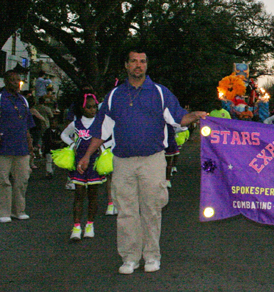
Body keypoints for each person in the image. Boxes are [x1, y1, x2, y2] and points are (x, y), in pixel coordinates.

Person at [77, 49, 207, 274]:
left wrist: (195, 115)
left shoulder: (159, 92)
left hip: (152, 161)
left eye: (143, 61)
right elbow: (101, 130)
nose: (138, 65)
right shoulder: (114, 95)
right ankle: (129, 257)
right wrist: (87, 155)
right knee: (126, 211)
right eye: (134, 61)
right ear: (126, 65)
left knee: (151, 209)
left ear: (147, 65)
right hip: (123, 162)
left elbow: (178, 119)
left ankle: (151, 256)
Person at [0, 70, 34, 223]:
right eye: (12, 80)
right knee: (3, 180)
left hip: (21, 146)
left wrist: (30, 143)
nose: (16, 82)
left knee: (22, 179)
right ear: (5, 82)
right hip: (3, 145)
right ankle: (2, 211)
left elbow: (26, 124)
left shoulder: (23, 101)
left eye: (18, 80)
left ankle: (18, 210)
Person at [62, 92, 109, 241]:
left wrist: (104, 147)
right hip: (79, 163)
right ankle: (76, 226)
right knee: (78, 195)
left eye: (95, 107)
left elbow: (112, 136)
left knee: (93, 195)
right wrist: (72, 145)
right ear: (82, 108)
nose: (93, 110)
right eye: (89, 107)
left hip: (95, 162)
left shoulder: (101, 123)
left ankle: (90, 224)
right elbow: (64, 135)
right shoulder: (75, 124)